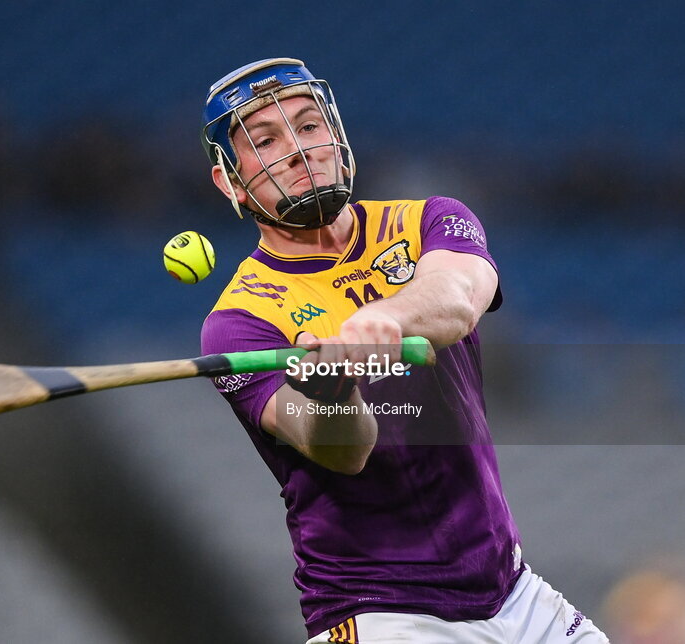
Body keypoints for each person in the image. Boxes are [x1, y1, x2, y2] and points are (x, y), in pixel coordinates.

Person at [200, 58, 607, 643]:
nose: (297, 150)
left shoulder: (429, 221)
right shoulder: (240, 322)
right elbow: (341, 452)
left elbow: (460, 296)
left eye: (309, 126)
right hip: (379, 611)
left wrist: (382, 317)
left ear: (336, 134)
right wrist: (335, 392)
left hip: (511, 590)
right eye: (265, 141)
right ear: (230, 182)